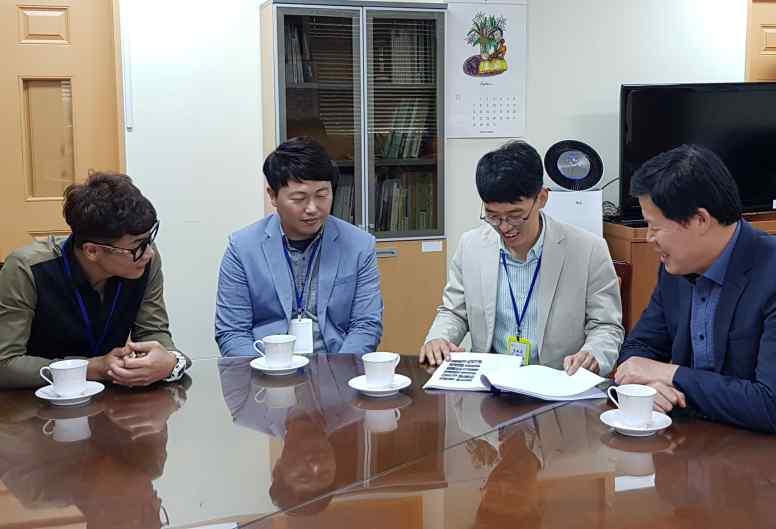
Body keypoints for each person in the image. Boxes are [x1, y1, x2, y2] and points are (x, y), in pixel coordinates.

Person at [420, 141, 624, 375]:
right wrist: (438, 339)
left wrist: (593, 355)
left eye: (516, 215)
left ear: (542, 198)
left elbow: (606, 326)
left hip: (556, 383)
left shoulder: (588, 250)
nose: (505, 227)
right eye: (493, 216)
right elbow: (454, 312)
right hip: (490, 383)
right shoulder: (472, 246)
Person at [615, 144, 776, 433]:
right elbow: (638, 350)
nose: (649, 238)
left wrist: (669, 374)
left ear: (700, 219)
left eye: (655, 227)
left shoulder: (770, 272)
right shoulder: (675, 269)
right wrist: (651, 385)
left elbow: (770, 404)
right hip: (690, 446)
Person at [0, 173, 189, 390]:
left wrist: (171, 362)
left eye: (149, 239)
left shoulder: (144, 261)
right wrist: (91, 368)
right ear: (92, 251)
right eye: (137, 245)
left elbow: (153, 333)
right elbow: (6, 364)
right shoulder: (27, 269)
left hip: (112, 399)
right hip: (34, 405)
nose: (149, 253)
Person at [215, 136, 383, 356]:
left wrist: (339, 374)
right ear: (273, 196)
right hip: (266, 369)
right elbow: (232, 332)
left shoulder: (359, 245)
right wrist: (267, 374)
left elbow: (366, 326)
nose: (313, 208)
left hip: (335, 367)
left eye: (322, 195)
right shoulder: (243, 249)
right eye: (299, 198)